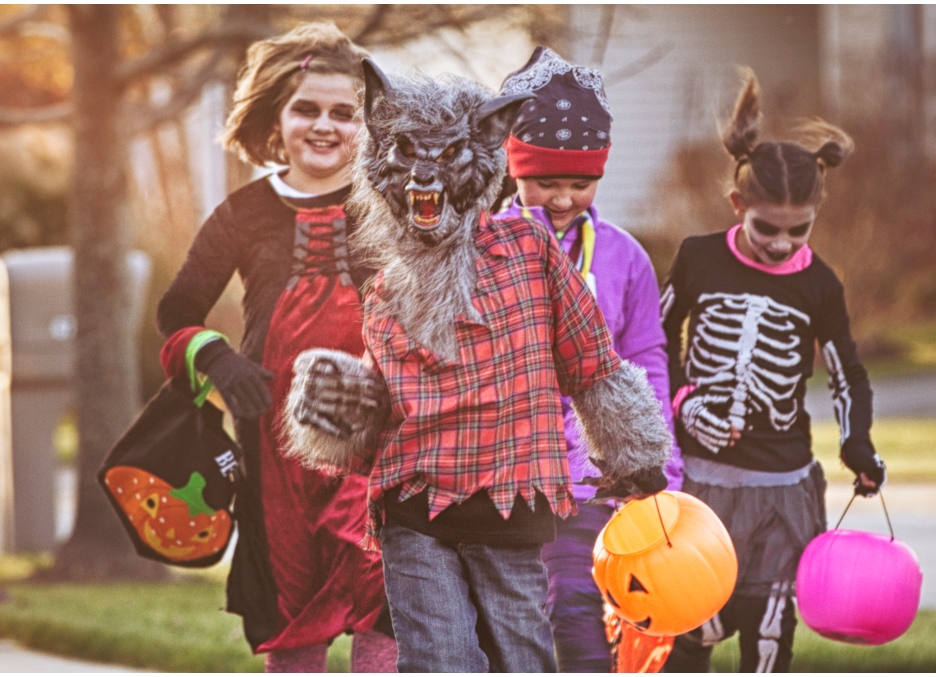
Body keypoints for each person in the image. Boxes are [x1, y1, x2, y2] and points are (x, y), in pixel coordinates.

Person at [279, 59, 674, 673]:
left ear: (486, 155)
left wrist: (640, 458)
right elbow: (380, 421)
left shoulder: (528, 250)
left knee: (521, 655)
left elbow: (592, 362)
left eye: (448, 154)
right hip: (414, 508)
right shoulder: (384, 291)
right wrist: (338, 406)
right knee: (440, 658)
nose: (427, 174)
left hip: (513, 500)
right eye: (409, 153)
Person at [155, 23, 395, 673]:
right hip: (274, 446)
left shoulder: (394, 205)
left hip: (382, 440)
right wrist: (217, 356)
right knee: (291, 609)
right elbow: (174, 314)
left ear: (368, 124)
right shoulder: (243, 213)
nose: (325, 126)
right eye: (306, 109)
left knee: (387, 602)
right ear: (276, 117)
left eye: (344, 113)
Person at [659, 68, 886, 673]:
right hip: (700, 482)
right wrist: (683, 403)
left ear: (817, 211)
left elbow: (846, 374)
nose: (782, 245)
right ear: (738, 205)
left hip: (781, 488)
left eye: (799, 230)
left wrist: (857, 444)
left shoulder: (820, 284)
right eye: (766, 228)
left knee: (767, 632)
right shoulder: (698, 258)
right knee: (689, 625)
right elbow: (656, 339)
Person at [492, 46, 683, 672]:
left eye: (582, 181)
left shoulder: (625, 259)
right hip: (499, 481)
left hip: (588, 484)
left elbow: (646, 359)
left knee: (575, 610)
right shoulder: (481, 247)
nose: (565, 197)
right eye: (547, 180)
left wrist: (659, 466)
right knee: (506, 624)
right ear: (514, 167)